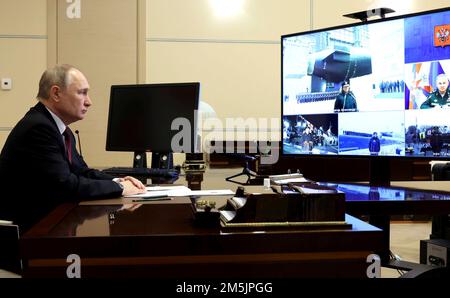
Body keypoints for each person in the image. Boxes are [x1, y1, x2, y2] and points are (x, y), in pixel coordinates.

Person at [0, 64, 146, 233]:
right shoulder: (39, 128)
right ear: (56, 93)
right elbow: (66, 186)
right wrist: (121, 189)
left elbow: (81, 171)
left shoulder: (59, 129)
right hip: (27, 231)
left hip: (46, 221)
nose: (89, 102)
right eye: (81, 92)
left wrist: (119, 181)